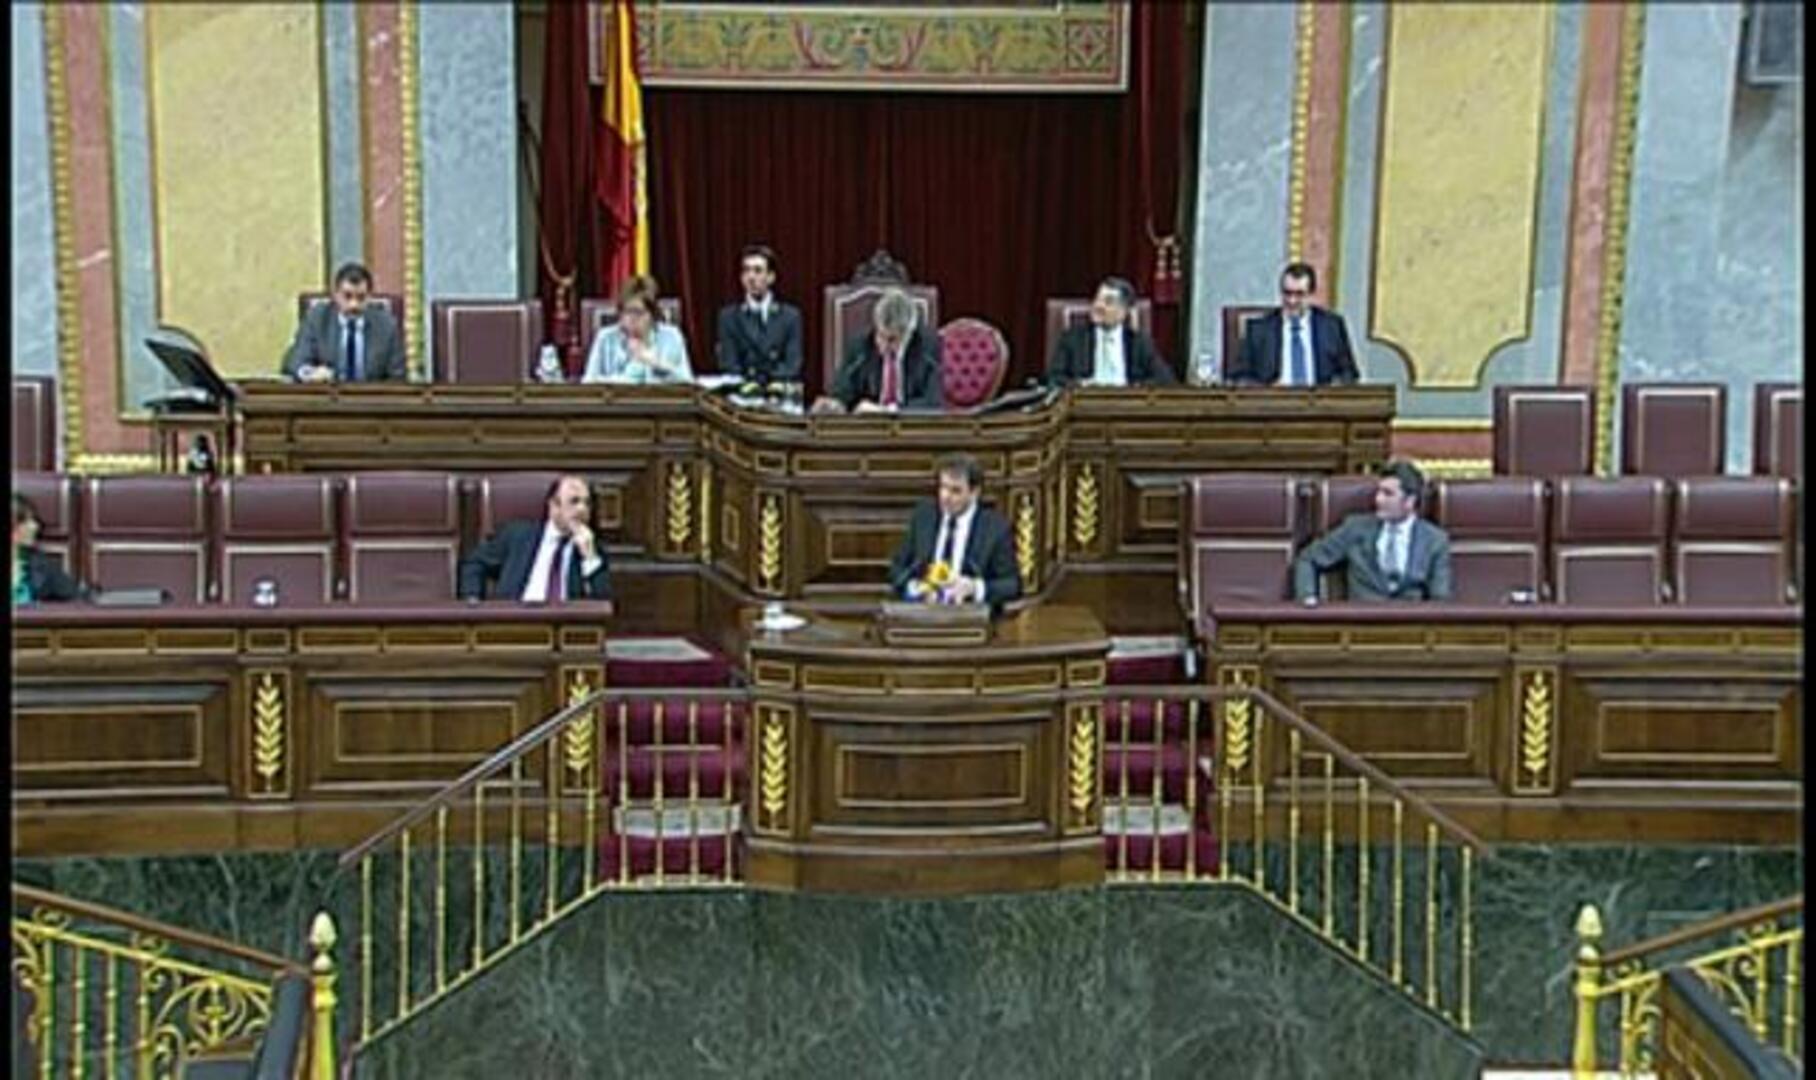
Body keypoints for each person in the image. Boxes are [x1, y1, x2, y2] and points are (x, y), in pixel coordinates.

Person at [1293, 461, 1451, 604]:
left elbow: (1440, 599)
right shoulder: (1356, 528)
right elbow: (1308, 558)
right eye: (1379, 492)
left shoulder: (1434, 540)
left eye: (1388, 494)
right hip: (1361, 624)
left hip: (1411, 626)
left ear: (1410, 501)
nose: (1378, 500)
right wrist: (1308, 598)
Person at [888, 453, 1022, 609]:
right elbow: (897, 569)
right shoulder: (924, 517)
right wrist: (918, 588)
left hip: (970, 618)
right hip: (924, 613)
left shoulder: (995, 529)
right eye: (943, 487)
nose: (945, 496)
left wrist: (973, 588)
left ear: (974, 493)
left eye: (955, 491)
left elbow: (1012, 585)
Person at [458, 475, 612, 602]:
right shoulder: (518, 535)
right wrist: (473, 599)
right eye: (574, 501)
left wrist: (590, 557)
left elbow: (603, 602)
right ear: (553, 506)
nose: (582, 509)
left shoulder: (592, 549)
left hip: (565, 629)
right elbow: (474, 563)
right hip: (514, 623)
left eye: (587, 503)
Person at [1228, 261, 1360, 387]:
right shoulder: (1259, 330)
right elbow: (1240, 378)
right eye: (1287, 293)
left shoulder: (1332, 327)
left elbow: (1349, 374)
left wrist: (1331, 387)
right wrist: (1267, 389)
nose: (1292, 301)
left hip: (1320, 405)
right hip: (1273, 405)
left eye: (1299, 294)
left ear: (1312, 294)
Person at [819, 288, 944, 413]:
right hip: (868, 427)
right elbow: (841, 392)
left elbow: (933, 403)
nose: (884, 344)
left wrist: (888, 411)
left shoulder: (929, 348)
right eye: (880, 335)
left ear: (909, 334)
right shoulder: (860, 346)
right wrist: (834, 403)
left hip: (911, 427)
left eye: (892, 339)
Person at [282, 262, 407, 383]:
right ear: (336, 295)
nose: (354, 305)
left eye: (361, 298)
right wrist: (310, 374)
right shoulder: (318, 319)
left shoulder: (386, 325)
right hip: (327, 400)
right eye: (347, 296)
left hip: (371, 401)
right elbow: (294, 362)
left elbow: (398, 376)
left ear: (370, 296)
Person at [1045, 276, 1176, 387]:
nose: (1098, 306)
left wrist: (1134, 390)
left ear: (1124, 311)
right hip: (1085, 408)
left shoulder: (1138, 342)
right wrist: (1081, 386)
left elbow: (1165, 379)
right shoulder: (1073, 338)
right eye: (1097, 299)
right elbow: (1054, 379)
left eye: (1108, 302)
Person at [715, 244, 803, 385]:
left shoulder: (790, 316)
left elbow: (792, 366)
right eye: (746, 271)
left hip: (778, 391)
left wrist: (767, 380)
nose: (751, 277)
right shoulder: (729, 317)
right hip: (742, 393)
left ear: (771, 277)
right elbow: (729, 365)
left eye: (758, 271)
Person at [582, 275, 693, 384]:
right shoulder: (605, 338)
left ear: (652, 315)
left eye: (638, 312)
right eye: (627, 312)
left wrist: (657, 364)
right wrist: (625, 380)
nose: (631, 319)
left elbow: (688, 383)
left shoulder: (671, 337)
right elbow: (589, 383)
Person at [13, 494, 82, 604]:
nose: (34, 526)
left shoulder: (39, 563)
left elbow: (76, 598)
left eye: (33, 520)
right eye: (24, 521)